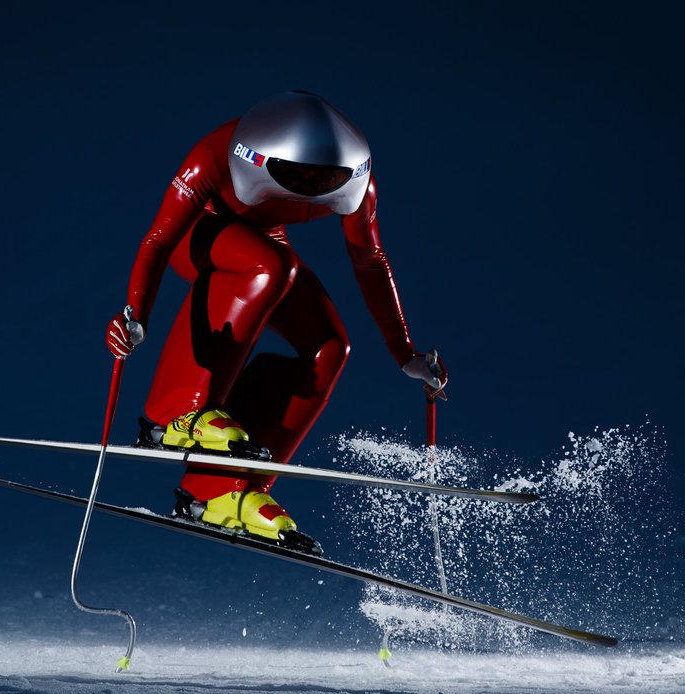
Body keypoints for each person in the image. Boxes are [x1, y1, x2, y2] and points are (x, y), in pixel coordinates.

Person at [106, 90, 446, 555]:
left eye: (323, 180)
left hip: (262, 248)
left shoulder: (359, 184)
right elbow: (160, 238)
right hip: (198, 235)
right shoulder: (215, 154)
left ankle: (222, 491)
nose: (307, 187)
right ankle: (176, 410)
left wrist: (404, 352)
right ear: (262, 157)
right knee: (269, 264)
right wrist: (135, 316)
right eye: (295, 175)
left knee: (328, 346)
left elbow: (370, 260)